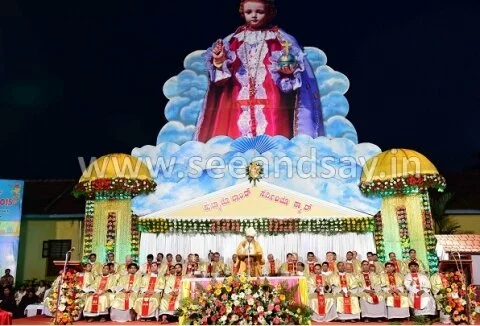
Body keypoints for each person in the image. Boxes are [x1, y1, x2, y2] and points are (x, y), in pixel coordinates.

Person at [194, 0, 324, 142]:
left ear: (269, 12)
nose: (254, 16)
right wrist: (219, 61)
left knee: (272, 134)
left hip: (271, 99)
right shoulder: (233, 40)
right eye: (249, 12)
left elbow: (291, 75)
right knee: (236, 134)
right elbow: (220, 80)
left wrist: (288, 72)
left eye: (259, 12)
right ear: (242, 13)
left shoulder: (279, 39)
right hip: (237, 98)